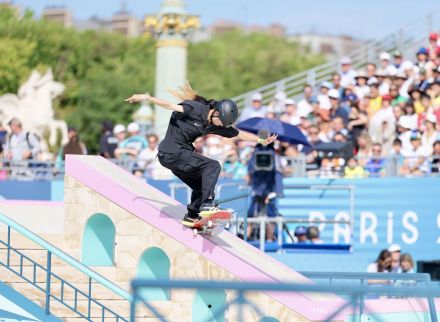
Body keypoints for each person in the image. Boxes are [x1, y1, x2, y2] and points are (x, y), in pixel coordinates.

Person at [125, 83, 277, 227]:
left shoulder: (215, 123)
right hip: (172, 151)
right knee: (212, 165)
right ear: (215, 112)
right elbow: (169, 105)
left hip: (174, 157)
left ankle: (191, 216)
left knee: (201, 185)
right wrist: (146, 98)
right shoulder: (195, 108)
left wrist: (260, 140)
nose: (221, 127)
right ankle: (207, 204)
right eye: (221, 123)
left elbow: (238, 134)